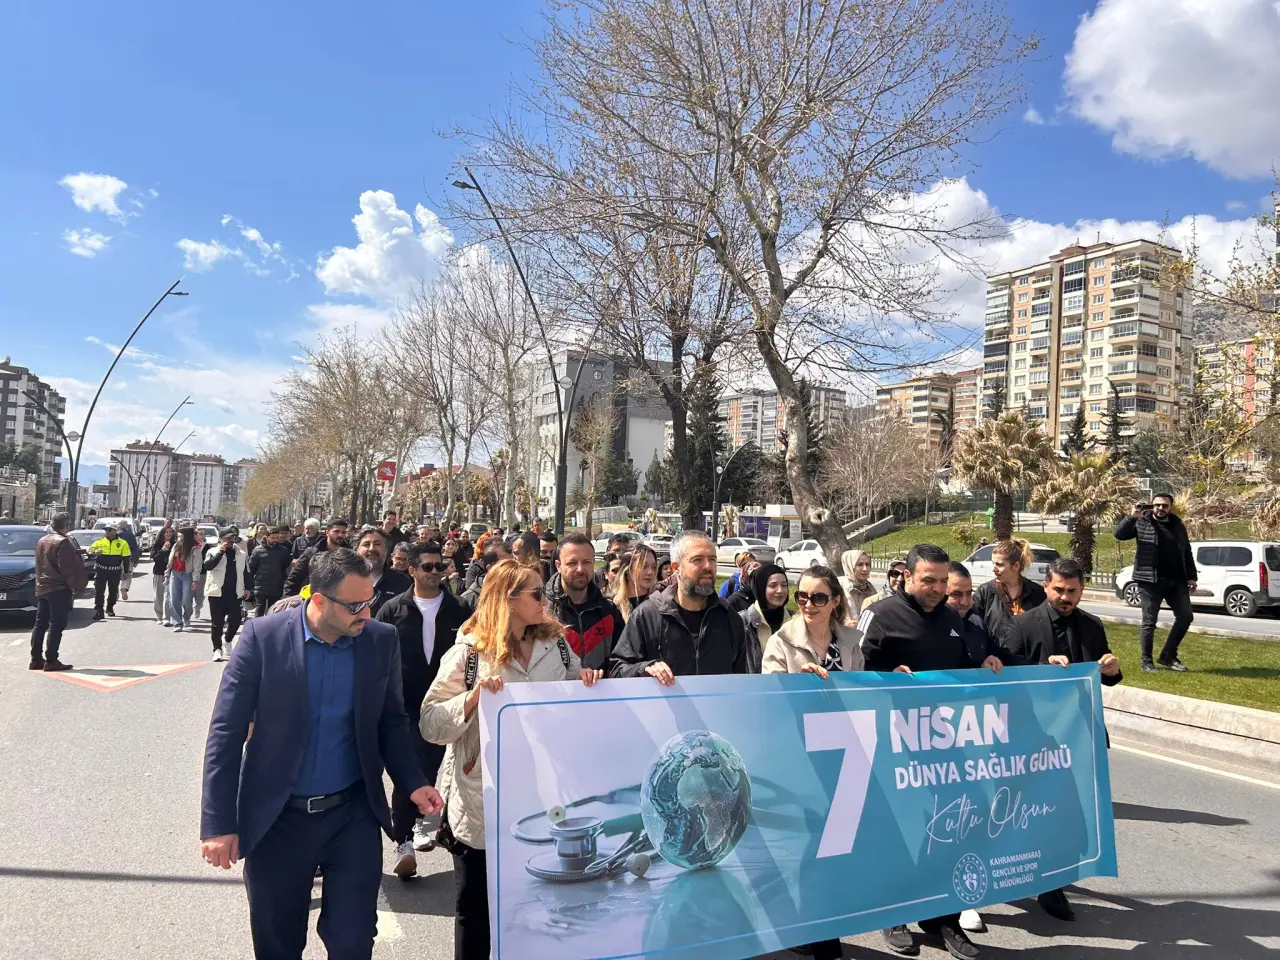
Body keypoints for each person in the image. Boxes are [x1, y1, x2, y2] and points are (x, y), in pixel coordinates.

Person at [200, 548, 444, 960]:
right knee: (277, 944)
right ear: (318, 600)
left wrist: (413, 782)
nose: (366, 613)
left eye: (369, 601)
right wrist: (218, 823)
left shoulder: (379, 641)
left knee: (353, 941)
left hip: (352, 816)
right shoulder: (263, 638)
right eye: (355, 606)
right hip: (278, 821)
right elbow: (225, 733)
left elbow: (391, 722)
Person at [420, 559, 601, 960]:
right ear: (508, 600)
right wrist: (471, 699)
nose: (545, 599)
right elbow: (429, 723)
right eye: (536, 593)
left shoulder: (556, 646)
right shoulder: (469, 654)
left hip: (544, 800)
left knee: (538, 905)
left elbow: (572, 695)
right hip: (483, 803)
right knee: (476, 911)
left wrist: (587, 682)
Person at [860, 544, 1002, 959]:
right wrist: (884, 676)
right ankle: (893, 913)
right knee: (900, 831)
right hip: (893, 745)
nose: (938, 589)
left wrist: (986, 664)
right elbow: (853, 670)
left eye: (942, 581)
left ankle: (943, 919)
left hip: (945, 747)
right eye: (929, 580)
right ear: (906, 576)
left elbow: (960, 673)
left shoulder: (953, 619)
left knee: (949, 831)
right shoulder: (879, 615)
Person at [1006, 557, 1122, 923]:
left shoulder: (1092, 625)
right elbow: (1006, 676)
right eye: (1059, 589)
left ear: (1082, 590)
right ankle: (1015, 872)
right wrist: (1043, 670)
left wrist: (1112, 669)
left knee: (1071, 814)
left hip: (1081, 736)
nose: (1065, 597)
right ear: (1046, 586)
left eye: (1073, 591)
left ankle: (1053, 885)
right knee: (1027, 812)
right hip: (1033, 738)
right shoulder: (1023, 624)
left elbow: (1102, 676)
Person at [376, 540, 469, 878]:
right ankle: (403, 840)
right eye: (427, 567)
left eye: (439, 566)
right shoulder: (392, 610)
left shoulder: (460, 609)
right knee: (408, 769)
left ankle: (423, 823)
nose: (435, 572)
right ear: (412, 570)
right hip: (403, 706)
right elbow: (376, 655)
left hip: (446, 705)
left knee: (435, 768)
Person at [609, 530, 749, 681]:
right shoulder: (648, 616)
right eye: (697, 560)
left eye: (712, 559)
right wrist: (645, 668)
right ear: (676, 568)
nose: (708, 566)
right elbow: (617, 670)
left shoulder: (729, 618)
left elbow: (742, 681)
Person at [1115, 492, 1197, 672]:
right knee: (1149, 622)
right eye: (1157, 505)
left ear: (1170, 507)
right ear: (1152, 506)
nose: (1160, 508)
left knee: (1185, 616)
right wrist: (1131, 517)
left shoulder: (1177, 524)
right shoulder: (1142, 521)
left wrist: (1192, 576)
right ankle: (1147, 661)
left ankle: (1168, 655)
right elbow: (1119, 535)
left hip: (1176, 580)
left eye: (1165, 506)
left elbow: (1186, 551)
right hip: (1149, 581)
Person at [547, 532, 625, 671]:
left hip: (601, 685)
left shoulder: (609, 611)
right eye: (572, 563)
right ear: (558, 565)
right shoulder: (543, 611)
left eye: (586, 562)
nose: (580, 569)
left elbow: (622, 661)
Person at [30, 511, 87, 672]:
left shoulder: (42, 540)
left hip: (42, 587)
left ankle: (35, 659)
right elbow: (66, 569)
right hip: (58, 588)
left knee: (40, 624)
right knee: (56, 624)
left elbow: (45, 561)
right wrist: (75, 587)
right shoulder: (63, 542)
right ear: (67, 525)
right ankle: (51, 660)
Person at [972, 539, 1046, 645]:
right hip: (994, 654)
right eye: (993, 563)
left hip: (1027, 655)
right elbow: (974, 628)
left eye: (999, 565)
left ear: (1016, 566)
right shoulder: (984, 592)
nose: (994, 569)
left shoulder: (1037, 593)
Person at [203, 528, 251, 662]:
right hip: (217, 593)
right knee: (217, 623)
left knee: (236, 620)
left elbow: (246, 572)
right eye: (227, 538)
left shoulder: (240, 554)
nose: (230, 541)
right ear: (221, 539)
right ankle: (217, 649)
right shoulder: (212, 551)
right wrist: (220, 552)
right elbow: (208, 566)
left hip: (235, 592)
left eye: (232, 538)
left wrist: (248, 588)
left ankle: (228, 640)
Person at [740, 562, 793, 672]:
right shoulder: (742, 622)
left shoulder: (795, 620)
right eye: (773, 585)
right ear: (760, 588)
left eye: (784, 585)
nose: (780, 590)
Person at [354, 526, 413, 617]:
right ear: (357, 550)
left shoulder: (402, 582)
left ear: (387, 550)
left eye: (377, 544)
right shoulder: (343, 579)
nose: (371, 549)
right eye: (366, 544)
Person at [284, 516, 349, 597]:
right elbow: (294, 578)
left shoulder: (349, 554)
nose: (340, 535)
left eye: (343, 532)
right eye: (336, 531)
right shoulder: (312, 552)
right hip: (315, 598)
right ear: (327, 532)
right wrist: (288, 598)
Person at [88, 522, 131, 621]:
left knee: (113, 591)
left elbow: (126, 558)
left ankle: (110, 607)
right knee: (99, 590)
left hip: (114, 571)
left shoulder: (123, 543)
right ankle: (99, 610)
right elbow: (90, 550)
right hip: (101, 570)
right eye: (106, 530)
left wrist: (126, 571)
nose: (107, 532)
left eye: (109, 530)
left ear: (115, 531)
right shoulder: (100, 542)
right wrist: (94, 552)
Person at [248, 526, 293, 617]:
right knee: (259, 611)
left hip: (276, 586)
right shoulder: (257, 550)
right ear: (266, 537)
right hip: (260, 586)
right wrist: (249, 586)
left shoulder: (282, 550)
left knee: (273, 611)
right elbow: (251, 568)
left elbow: (287, 565)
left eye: (277, 538)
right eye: (272, 538)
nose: (275, 540)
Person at [608, 543, 658, 622]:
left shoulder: (659, 602)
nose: (650, 572)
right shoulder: (613, 607)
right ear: (628, 569)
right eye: (644, 566)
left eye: (654, 567)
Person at [167, 526, 201, 631]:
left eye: (180, 535)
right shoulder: (176, 545)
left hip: (187, 575)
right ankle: (177, 622)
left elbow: (197, 565)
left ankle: (186, 616)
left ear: (186, 536)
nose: (179, 537)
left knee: (186, 599)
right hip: (175, 574)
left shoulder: (195, 548)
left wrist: (195, 580)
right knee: (174, 598)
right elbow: (170, 560)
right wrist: (167, 572)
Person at [151, 526, 177, 624]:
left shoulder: (176, 545)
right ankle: (159, 616)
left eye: (170, 532)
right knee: (158, 596)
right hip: (159, 572)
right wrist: (163, 549)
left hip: (172, 573)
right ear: (162, 534)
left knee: (168, 596)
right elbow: (155, 558)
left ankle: (167, 617)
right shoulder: (157, 545)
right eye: (166, 532)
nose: (169, 534)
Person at [838, 549, 878, 613]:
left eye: (867, 564)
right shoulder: (840, 587)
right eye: (860, 564)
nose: (865, 569)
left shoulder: (870, 588)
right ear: (849, 566)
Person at [117, 519, 140, 601]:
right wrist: (135, 559)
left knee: (115, 576)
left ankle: (115, 592)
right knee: (128, 575)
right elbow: (135, 548)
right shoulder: (130, 535)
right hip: (128, 558)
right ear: (126, 526)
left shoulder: (115, 535)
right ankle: (124, 588)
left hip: (115, 559)